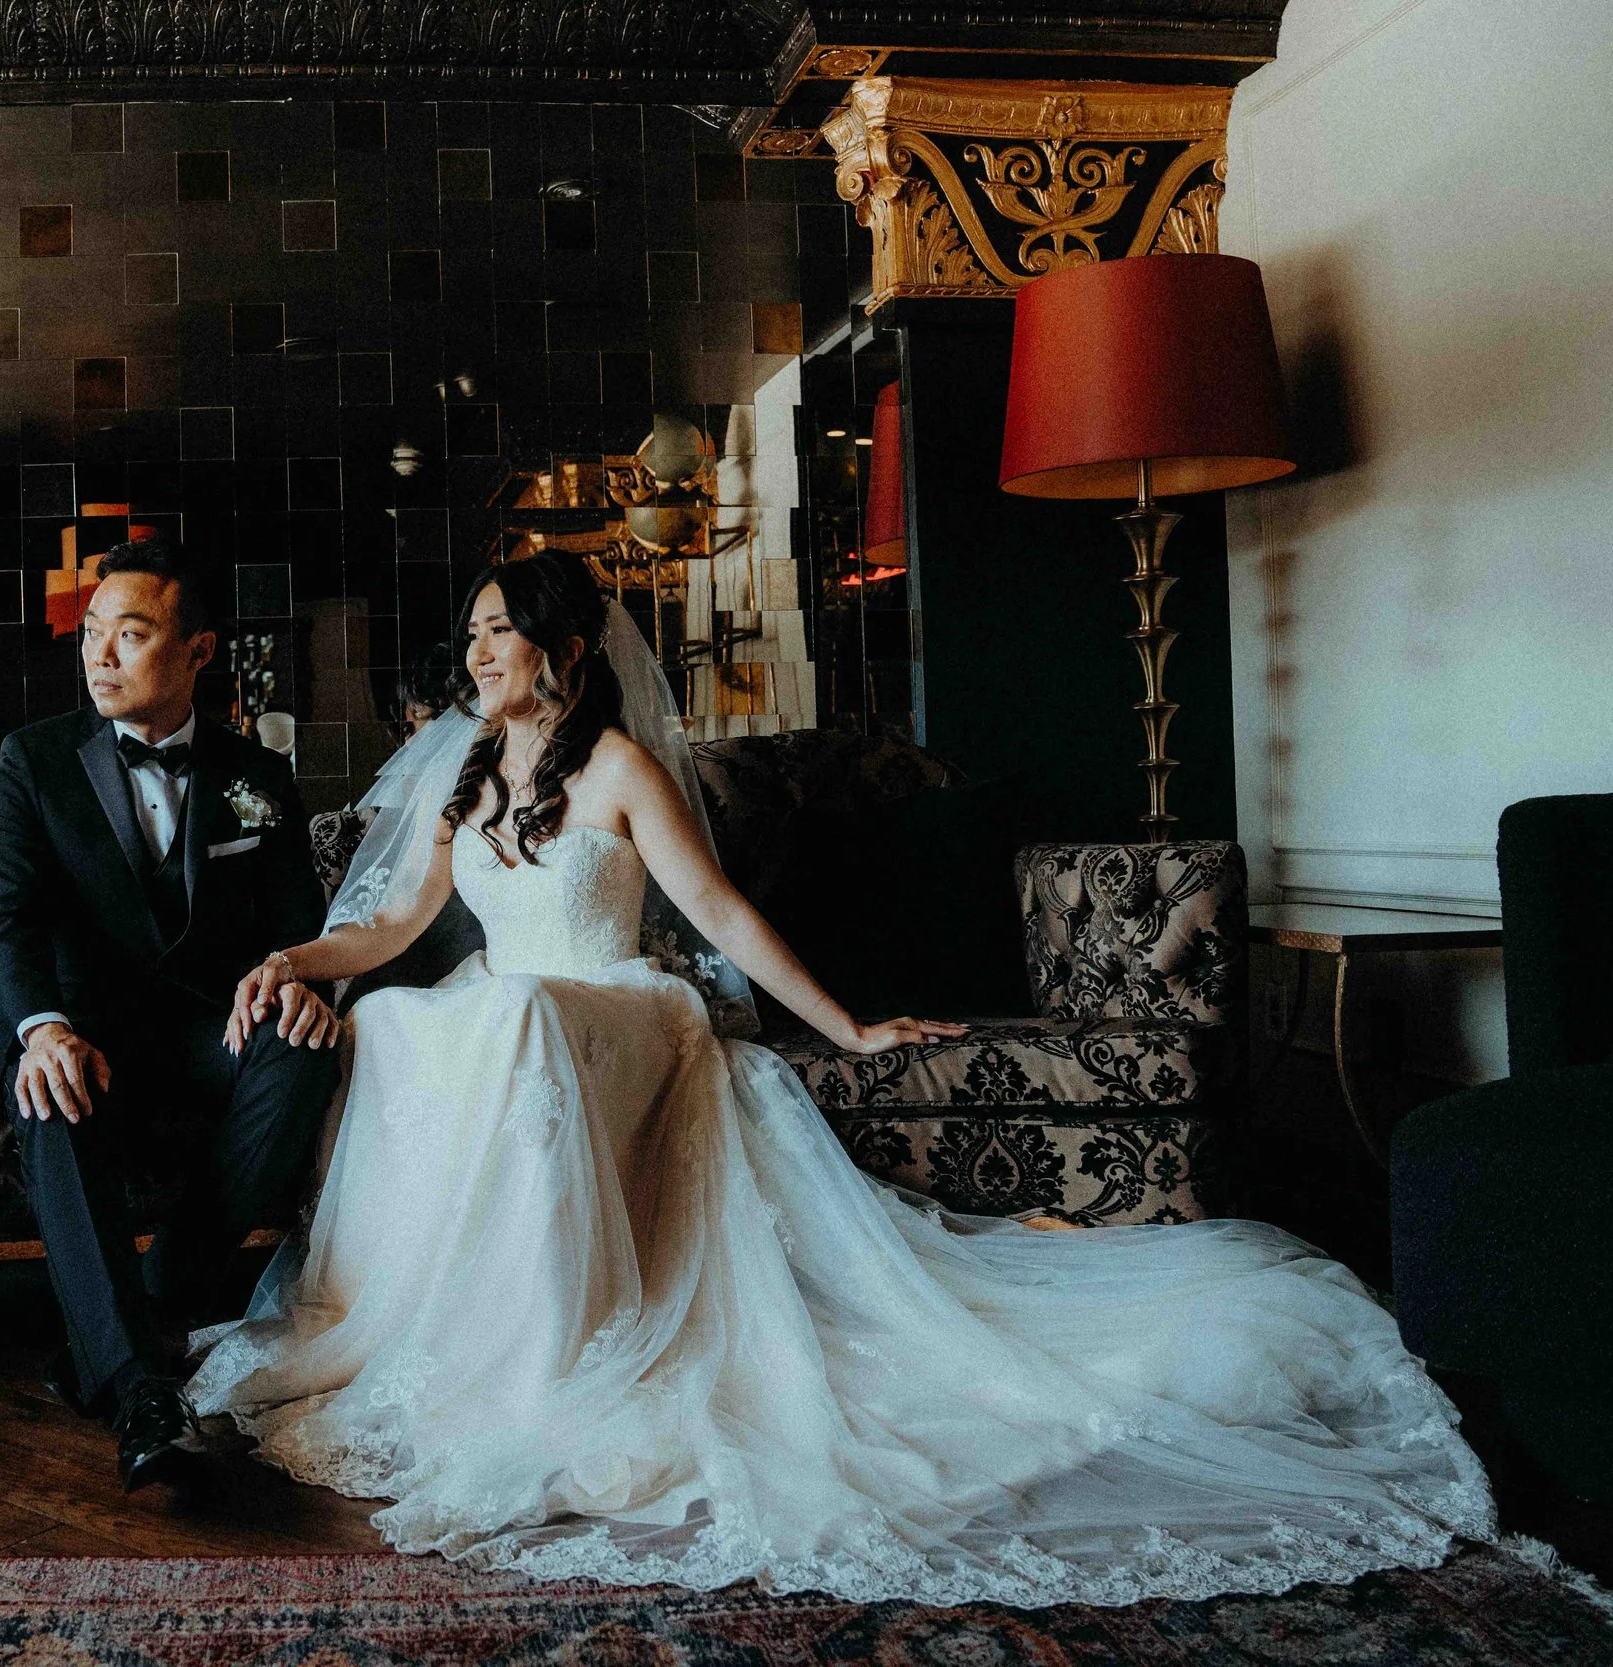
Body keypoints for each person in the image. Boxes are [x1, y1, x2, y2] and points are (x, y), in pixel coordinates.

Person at [189, 552, 1493, 1601]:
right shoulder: (464, 774)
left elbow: (720, 919)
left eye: (500, 632)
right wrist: (295, 951)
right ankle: (455, 1333)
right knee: (413, 1017)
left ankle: (558, 1353)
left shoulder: (622, 766)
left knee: (517, 1014)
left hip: (620, 1008)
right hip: (521, 1005)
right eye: (469, 632)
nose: (475, 652)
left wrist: (847, 1024)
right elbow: (395, 924)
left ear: (568, 651)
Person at [0, 540, 343, 1492]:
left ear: (199, 649)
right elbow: (1, 918)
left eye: (129, 637)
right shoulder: (35, 760)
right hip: (78, 1029)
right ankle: (141, 1386)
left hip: (204, 1034)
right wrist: (40, 1026)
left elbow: (301, 927)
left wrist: (298, 985)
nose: (99, 656)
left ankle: (143, 1305)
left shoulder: (259, 773)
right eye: (92, 635)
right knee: (51, 1089)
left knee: (305, 1049)